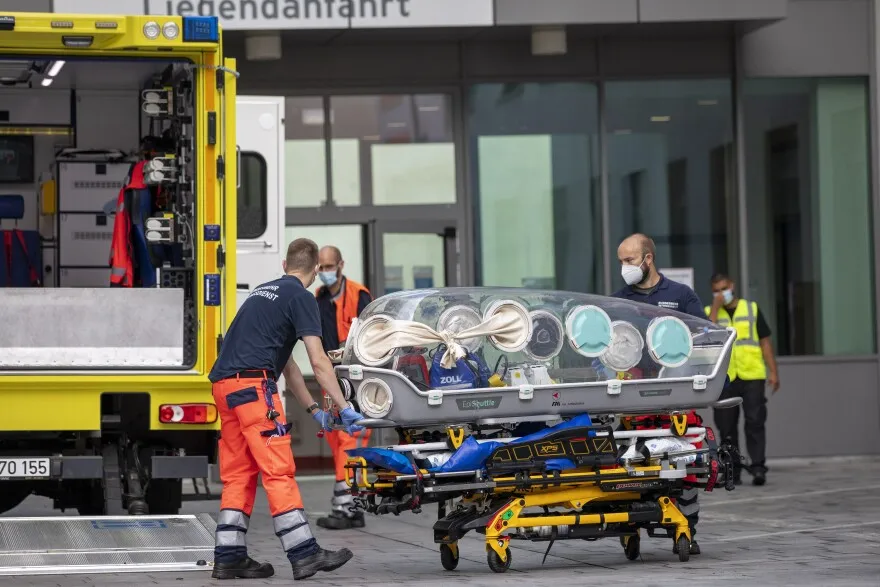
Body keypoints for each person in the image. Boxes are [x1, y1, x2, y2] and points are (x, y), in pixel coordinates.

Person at [208, 237, 366, 581]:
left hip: (224, 387)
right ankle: (305, 553)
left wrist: (313, 410)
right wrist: (344, 406)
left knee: (238, 474)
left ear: (284, 265)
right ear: (313, 271)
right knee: (278, 470)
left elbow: (287, 364)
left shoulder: (262, 293)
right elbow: (318, 361)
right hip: (252, 388)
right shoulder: (302, 297)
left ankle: (229, 555)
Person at [610, 233, 704, 556]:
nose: (624, 267)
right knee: (629, 462)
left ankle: (687, 529)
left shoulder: (681, 296)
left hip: (673, 394)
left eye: (629, 260)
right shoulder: (618, 301)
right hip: (633, 397)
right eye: (620, 261)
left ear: (647, 259)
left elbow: (702, 340)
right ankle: (630, 528)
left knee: (683, 462)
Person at [313, 245, 374, 530]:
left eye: (329, 266)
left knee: (352, 440)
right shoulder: (319, 297)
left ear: (341, 264)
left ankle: (349, 508)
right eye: (321, 267)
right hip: (332, 378)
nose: (325, 272)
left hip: (357, 379)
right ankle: (346, 505)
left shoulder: (359, 295)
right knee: (337, 439)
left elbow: (369, 338)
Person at [705, 272, 780, 486]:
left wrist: (773, 372)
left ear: (732, 286)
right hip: (724, 378)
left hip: (752, 375)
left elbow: (765, 342)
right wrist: (716, 308)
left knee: (755, 421)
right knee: (726, 426)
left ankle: (758, 468)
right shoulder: (710, 312)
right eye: (716, 290)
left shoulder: (751, 309)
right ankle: (733, 469)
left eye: (724, 288)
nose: (721, 293)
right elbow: (707, 336)